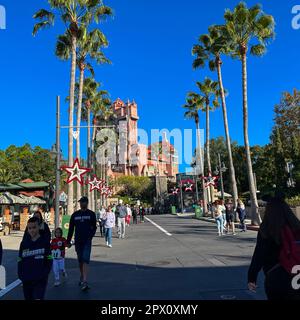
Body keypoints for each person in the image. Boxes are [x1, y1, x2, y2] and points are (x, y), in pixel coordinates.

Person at [248, 195, 300, 300]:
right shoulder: (296, 226)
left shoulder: (267, 229)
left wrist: (251, 278)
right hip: (297, 275)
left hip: (275, 276)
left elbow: (259, 255)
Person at [18, 217, 53, 300]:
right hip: (27, 279)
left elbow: (50, 257)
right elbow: (20, 259)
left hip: (40, 279)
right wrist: (20, 274)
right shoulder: (24, 243)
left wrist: (45, 272)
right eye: (29, 228)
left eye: (34, 227)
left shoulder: (45, 242)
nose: (32, 230)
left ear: (38, 227)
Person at [67, 196, 97, 291]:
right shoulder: (75, 215)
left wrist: (90, 236)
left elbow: (94, 227)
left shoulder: (91, 214)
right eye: (80, 202)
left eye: (83, 202)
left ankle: (84, 280)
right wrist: (68, 241)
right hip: (78, 240)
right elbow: (71, 228)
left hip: (87, 241)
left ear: (87, 203)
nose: (82, 204)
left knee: (85, 259)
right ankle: (82, 275)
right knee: (80, 260)